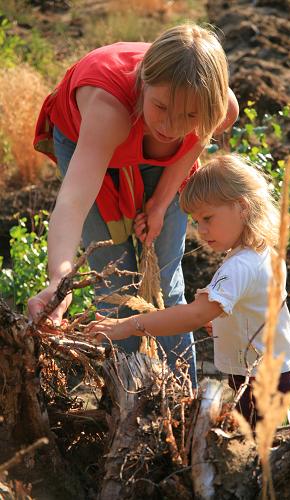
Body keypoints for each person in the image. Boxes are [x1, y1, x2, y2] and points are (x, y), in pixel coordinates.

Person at [28, 24, 239, 385]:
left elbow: (191, 143)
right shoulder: (109, 109)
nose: (172, 127)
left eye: (189, 116)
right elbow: (74, 203)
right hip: (89, 138)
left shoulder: (218, 109)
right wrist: (58, 282)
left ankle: (180, 398)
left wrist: (158, 204)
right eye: (162, 107)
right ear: (143, 82)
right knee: (115, 288)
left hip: (155, 156)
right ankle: (131, 402)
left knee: (168, 283)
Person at [86, 154, 290, 425]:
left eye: (207, 218)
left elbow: (193, 315)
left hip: (264, 386)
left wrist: (130, 325)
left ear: (242, 207)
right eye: (196, 221)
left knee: (255, 458)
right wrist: (224, 321)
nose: (200, 230)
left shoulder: (239, 266)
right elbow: (258, 308)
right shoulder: (263, 253)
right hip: (279, 374)